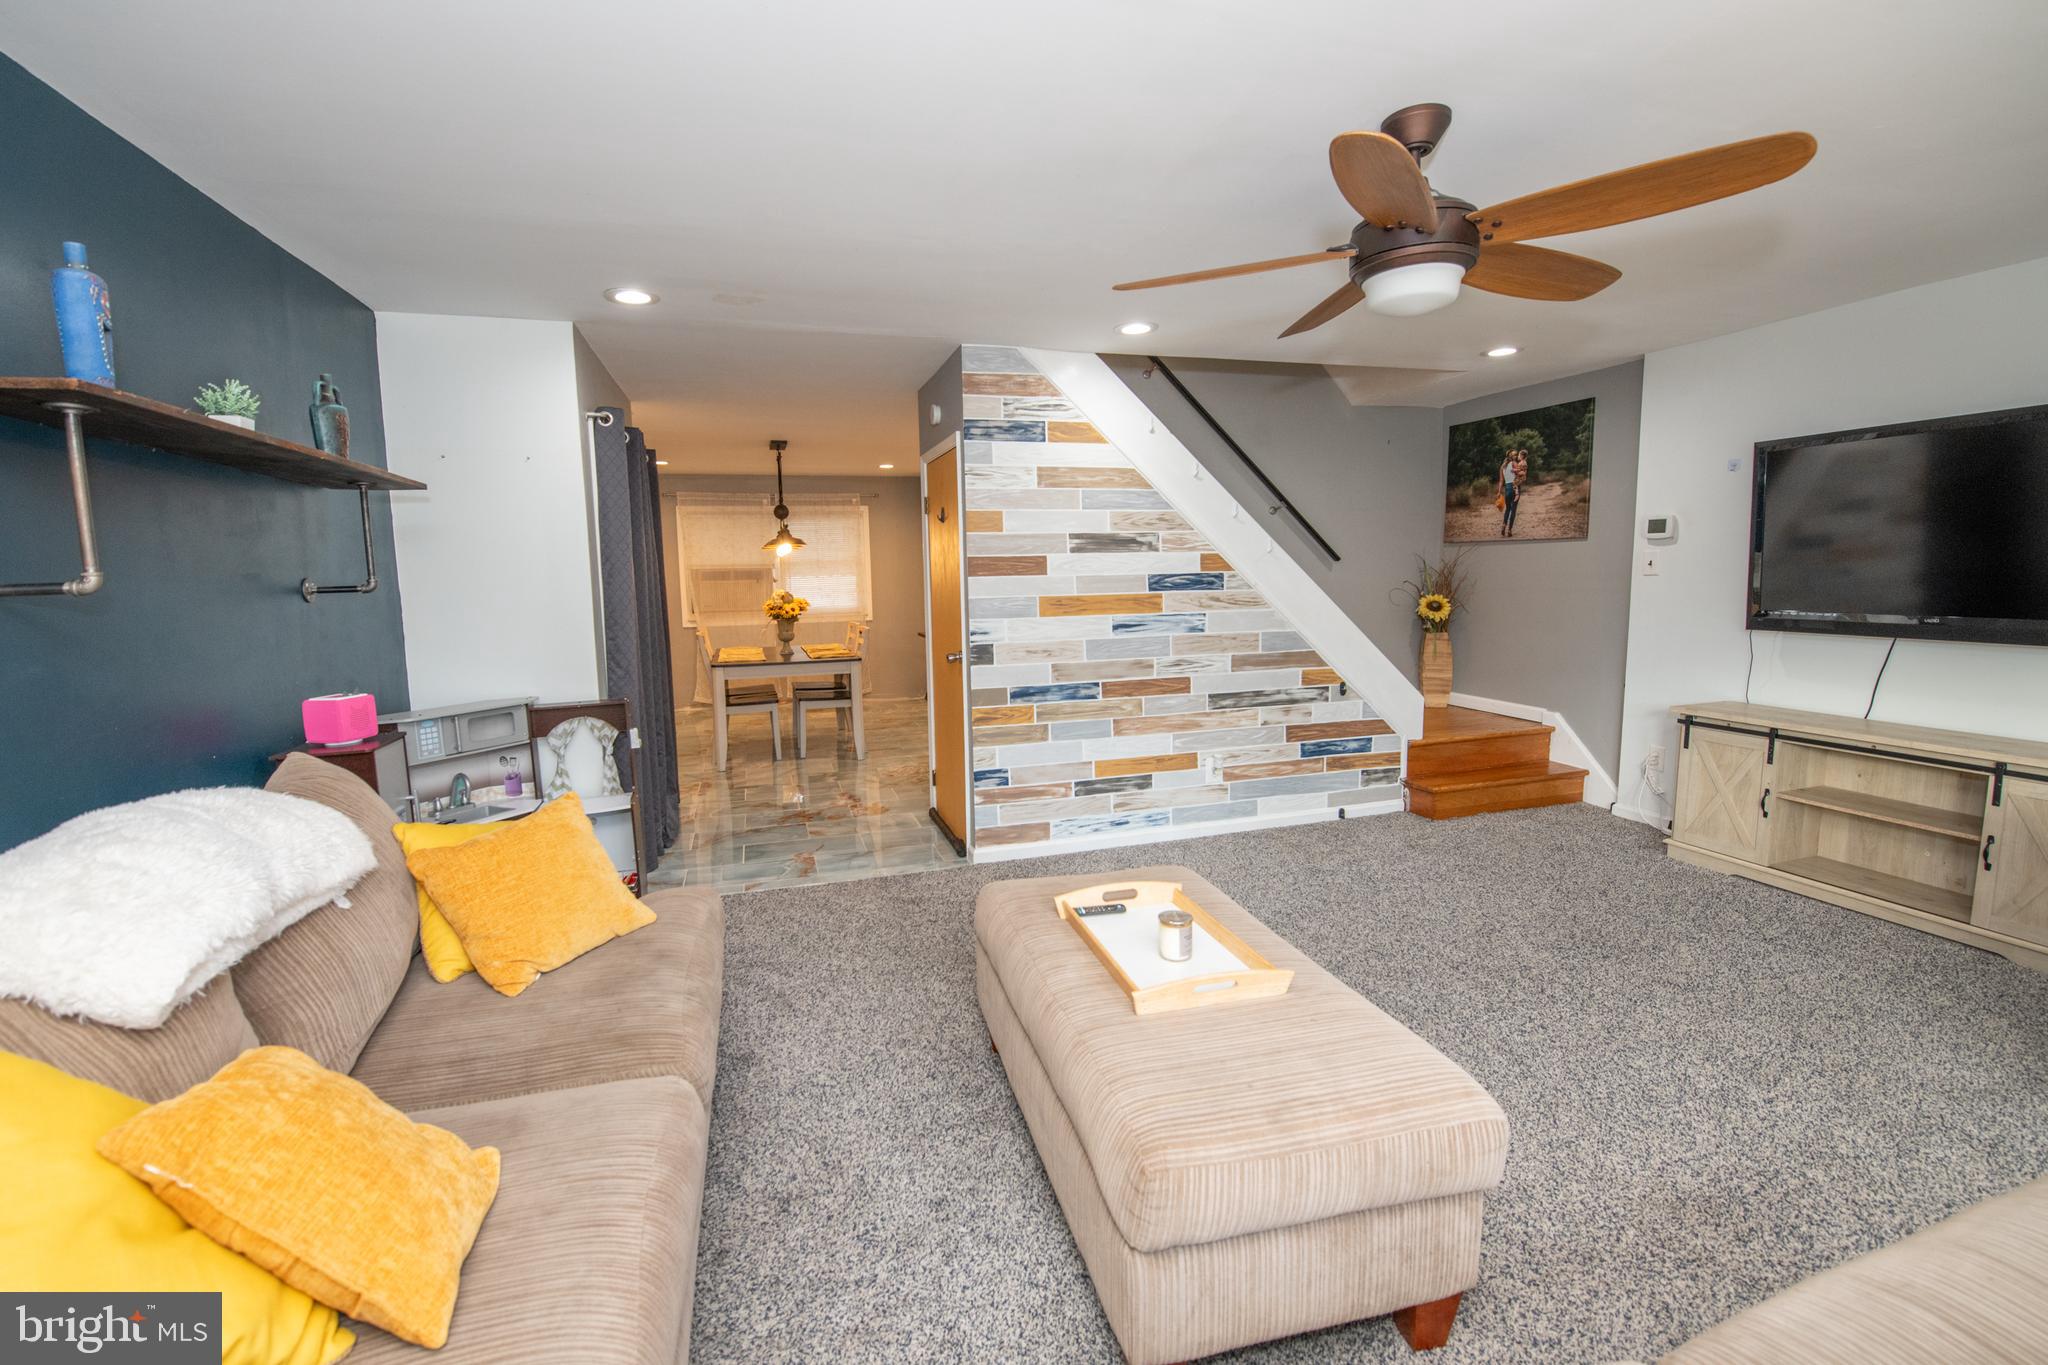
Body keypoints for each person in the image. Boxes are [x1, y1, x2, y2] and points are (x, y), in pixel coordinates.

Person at [1498, 447, 1522, 537]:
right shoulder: (1514, 463)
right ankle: (1509, 530)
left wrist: (1499, 491)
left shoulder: (1502, 466)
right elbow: (1519, 475)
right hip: (1515, 487)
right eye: (1515, 455)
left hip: (1507, 488)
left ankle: (1504, 525)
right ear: (1512, 456)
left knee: (1508, 509)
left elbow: (1501, 481)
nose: (1516, 456)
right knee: (1513, 509)